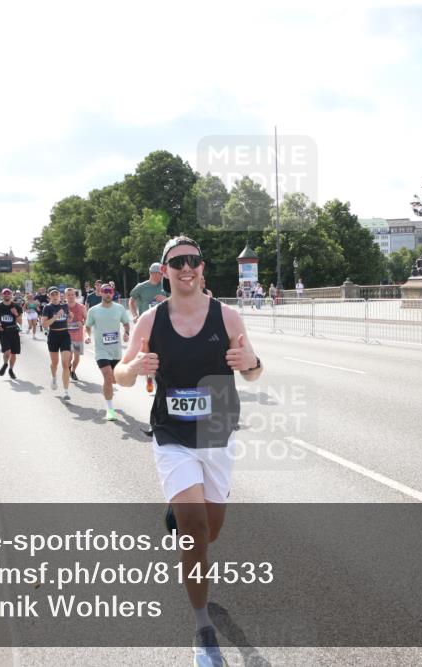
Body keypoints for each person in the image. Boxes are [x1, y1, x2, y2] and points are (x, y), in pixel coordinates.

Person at [117, 236, 262, 665]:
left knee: (210, 530)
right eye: (177, 262)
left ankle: (180, 516)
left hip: (218, 434)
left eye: (193, 261)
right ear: (165, 271)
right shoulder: (150, 321)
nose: (186, 268)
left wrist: (250, 363)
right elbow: (122, 375)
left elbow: (254, 372)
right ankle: (202, 627)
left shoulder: (228, 315)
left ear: (202, 268)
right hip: (173, 435)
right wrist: (135, 368)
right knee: (196, 531)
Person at [85, 282, 131, 421]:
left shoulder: (119, 308)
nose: (107, 293)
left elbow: (126, 323)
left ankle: (110, 395)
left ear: (113, 293)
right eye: (104, 291)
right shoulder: (93, 310)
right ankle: (110, 409)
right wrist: (87, 336)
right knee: (107, 376)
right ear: (100, 293)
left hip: (116, 350)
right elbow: (87, 326)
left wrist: (126, 332)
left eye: (109, 291)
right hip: (101, 350)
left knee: (114, 380)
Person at [42, 287, 72, 398]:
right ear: (49, 296)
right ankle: (54, 378)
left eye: (56, 294)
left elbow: (67, 320)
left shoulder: (64, 306)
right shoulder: (47, 308)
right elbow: (44, 324)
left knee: (65, 363)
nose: (55, 296)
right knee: (55, 363)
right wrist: (55, 317)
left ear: (60, 296)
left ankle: (66, 391)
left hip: (65, 335)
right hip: (53, 336)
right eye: (52, 295)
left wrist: (70, 317)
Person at [0, 288, 22, 379]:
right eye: (4, 294)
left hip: (14, 331)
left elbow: (20, 322)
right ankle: (5, 364)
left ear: (11, 295)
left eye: (8, 293)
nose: (6, 295)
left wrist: (16, 314)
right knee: (7, 351)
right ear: (2, 295)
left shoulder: (16, 306)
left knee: (13, 353)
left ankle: (11, 369)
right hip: (3, 331)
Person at [66, 287, 87, 382]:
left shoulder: (81, 307)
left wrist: (82, 323)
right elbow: (59, 321)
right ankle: (69, 366)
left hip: (78, 336)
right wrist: (67, 321)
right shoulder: (63, 307)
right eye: (68, 295)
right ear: (66, 296)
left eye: (72, 294)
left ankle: (73, 371)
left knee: (77, 357)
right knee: (69, 356)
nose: (70, 296)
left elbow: (86, 319)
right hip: (66, 337)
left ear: (75, 296)